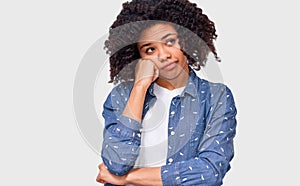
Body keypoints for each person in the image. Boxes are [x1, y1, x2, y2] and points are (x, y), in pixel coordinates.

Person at [96, 0, 237, 185]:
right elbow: (116, 163)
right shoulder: (121, 96)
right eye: (150, 49)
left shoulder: (216, 97)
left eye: (170, 41)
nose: (163, 55)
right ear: (139, 57)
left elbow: (209, 172)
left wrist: (126, 179)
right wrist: (139, 87)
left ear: (185, 40)